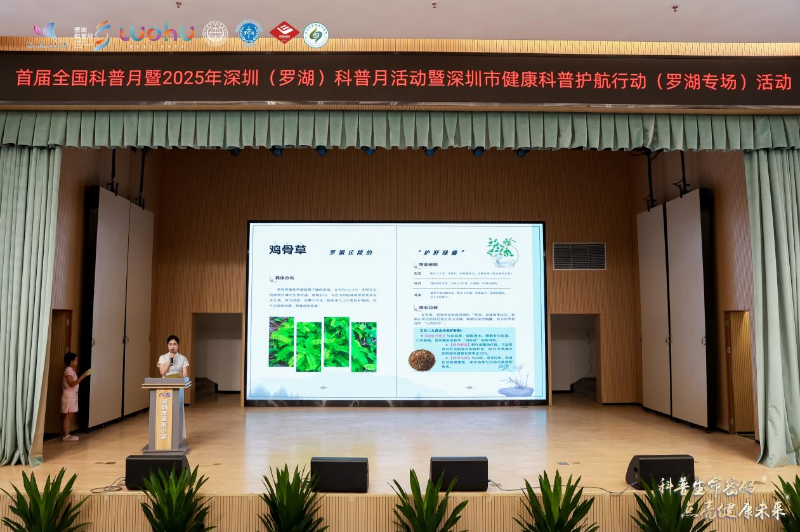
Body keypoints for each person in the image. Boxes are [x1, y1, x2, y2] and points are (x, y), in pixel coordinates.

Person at [156, 335, 189, 439]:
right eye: (170, 344)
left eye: (174, 344)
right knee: (166, 412)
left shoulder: (183, 358)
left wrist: (180, 375)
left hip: (178, 388)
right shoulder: (162, 357)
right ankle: (165, 436)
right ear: (167, 345)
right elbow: (162, 372)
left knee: (176, 412)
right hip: (165, 388)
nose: (172, 346)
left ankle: (177, 436)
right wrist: (169, 361)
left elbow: (185, 375)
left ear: (178, 345)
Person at [62, 352, 90, 442]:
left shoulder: (71, 370)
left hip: (71, 395)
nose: (77, 361)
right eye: (76, 359)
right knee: (68, 416)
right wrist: (83, 376)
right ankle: (66, 435)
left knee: (69, 416)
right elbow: (71, 384)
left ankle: (67, 434)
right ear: (71, 361)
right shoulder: (68, 371)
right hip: (68, 396)